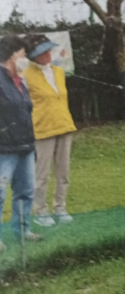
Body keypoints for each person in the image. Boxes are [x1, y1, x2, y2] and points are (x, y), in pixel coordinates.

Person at [22, 34, 77, 227]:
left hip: (64, 126)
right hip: (42, 130)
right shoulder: (26, 77)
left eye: (48, 49)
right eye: (41, 51)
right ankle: (41, 210)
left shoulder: (59, 72)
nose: (47, 54)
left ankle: (60, 207)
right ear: (32, 56)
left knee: (64, 172)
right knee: (41, 174)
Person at [0, 35, 41, 252]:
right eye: (23, 54)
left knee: (25, 191)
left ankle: (23, 230)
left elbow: (25, 112)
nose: (25, 58)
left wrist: (31, 145)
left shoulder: (21, 81)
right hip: (4, 148)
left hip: (25, 146)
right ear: (12, 54)